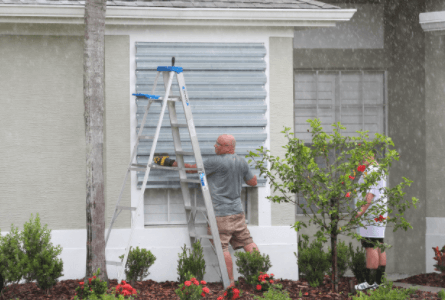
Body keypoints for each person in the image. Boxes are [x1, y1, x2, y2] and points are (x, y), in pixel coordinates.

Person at [155, 134, 259, 286]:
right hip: (238, 213)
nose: (215, 146)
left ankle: (230, 283)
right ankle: (263, 277)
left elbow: (191, 170)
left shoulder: (215, 162)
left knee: (222, 246)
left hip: (220, 214)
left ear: (228, 147)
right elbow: (253, 182)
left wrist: (169, 162)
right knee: (248, 242)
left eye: (218, 144)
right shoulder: (242, 161)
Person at [353, 149, 387, 287]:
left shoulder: (371, 171)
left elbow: (370, 194)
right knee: (379, 244)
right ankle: (379, 282)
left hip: (370, 215)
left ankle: (370, 282)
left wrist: (360, 212)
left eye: (362, 156)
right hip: (379, 214)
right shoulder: (379, 169)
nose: (360, 160)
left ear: (370, 155)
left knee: (370, 246)